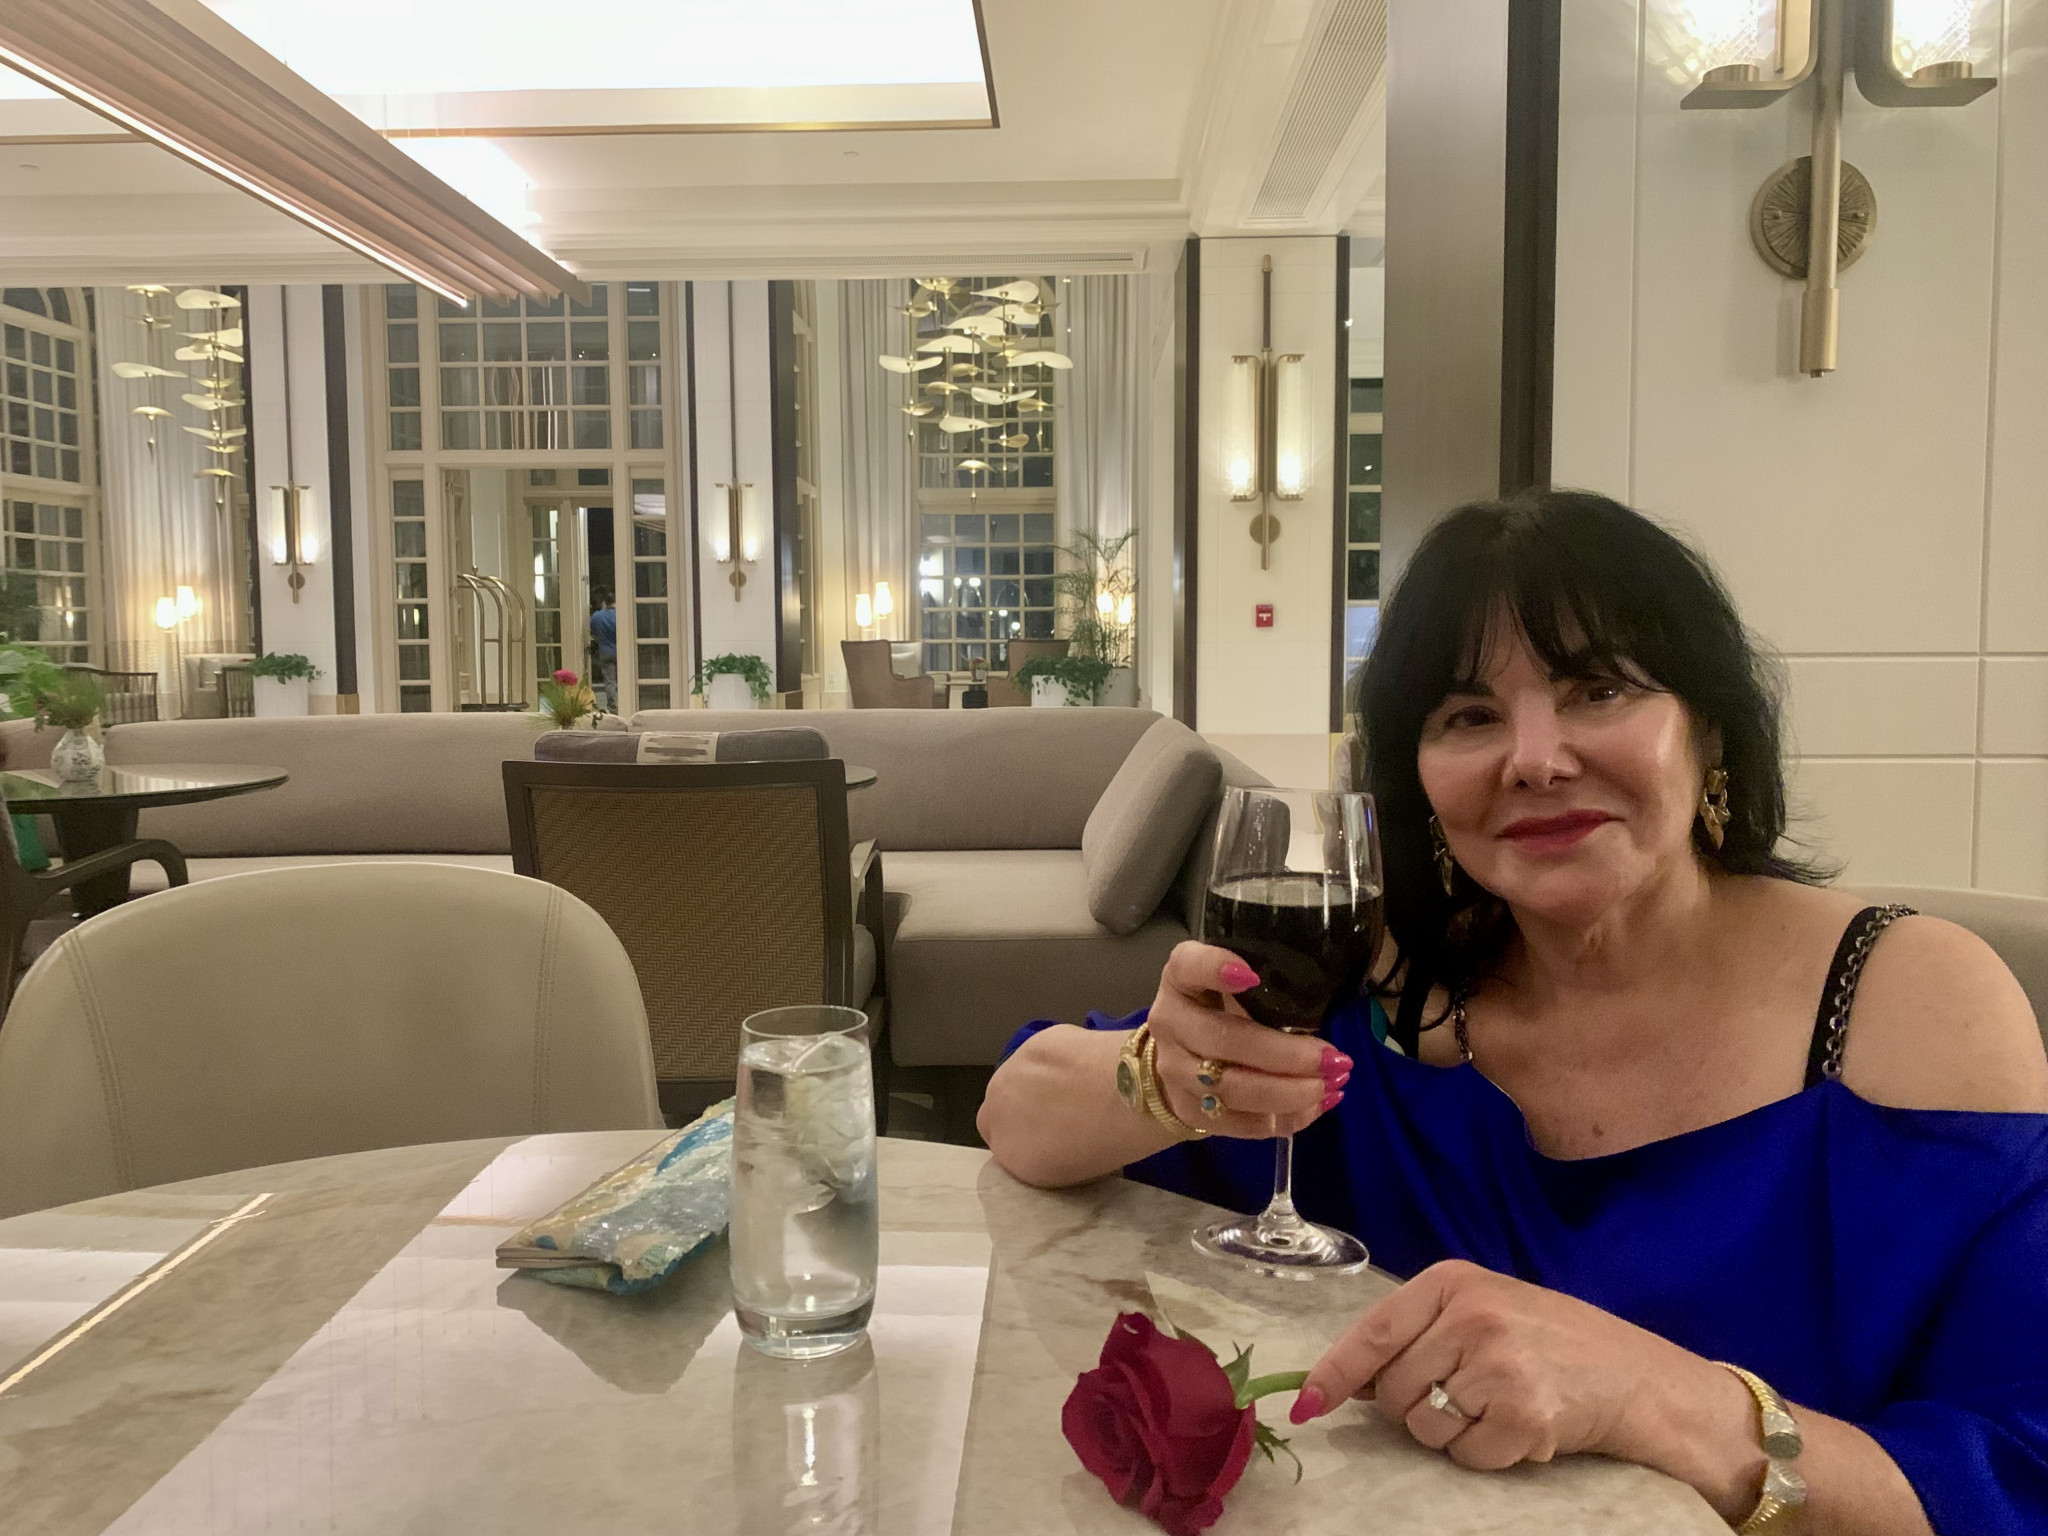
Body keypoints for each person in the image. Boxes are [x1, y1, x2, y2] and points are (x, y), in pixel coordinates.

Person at [980, 490, 2048, 1534]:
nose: (1533, 759)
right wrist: (1167, 1079)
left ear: (1710, 731)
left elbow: (2015, 1476)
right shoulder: (1383, 985)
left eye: (1599, 690)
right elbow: (1016, 1115)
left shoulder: (1904, 1004)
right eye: (1469, 716)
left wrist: (1656, 1399)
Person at [587, 588, 617, 711]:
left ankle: (612, 703)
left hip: (605, 651)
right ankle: (627, 700)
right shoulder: (620, 615)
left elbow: (592, 633)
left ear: (604, 602)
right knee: (625, 676)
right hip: (621, 651)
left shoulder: (597, 616)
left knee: (609, 680)